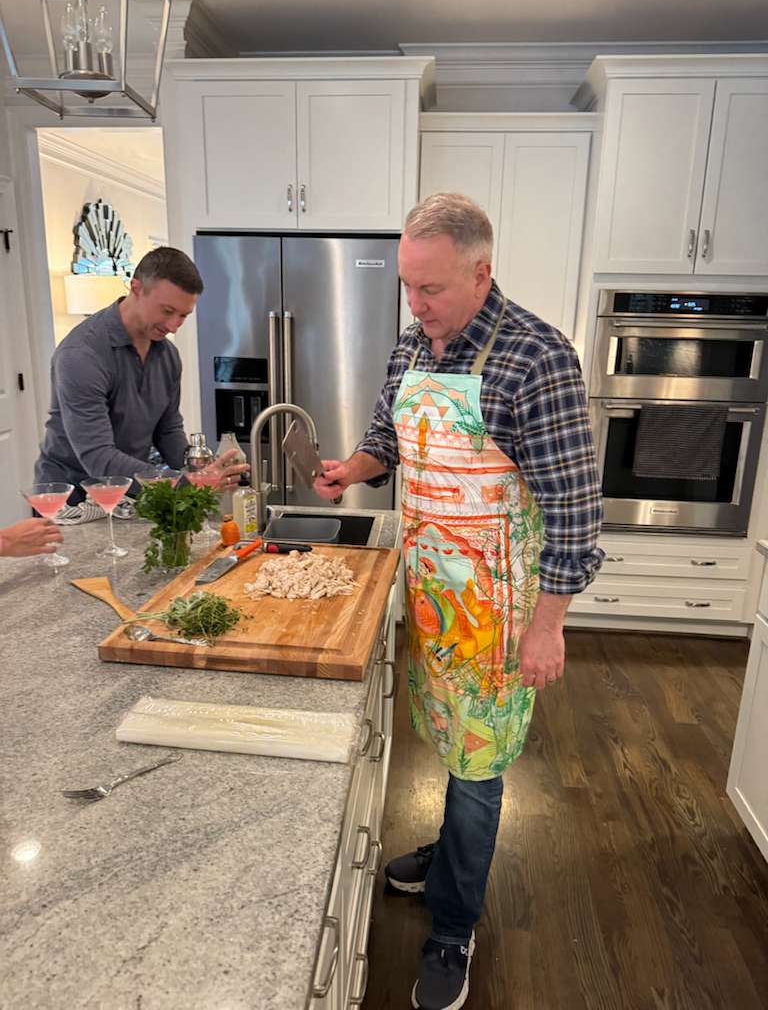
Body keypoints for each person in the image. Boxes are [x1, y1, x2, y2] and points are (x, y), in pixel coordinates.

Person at [314, 193, 604, 1010]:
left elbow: (576, 510)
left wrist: (549, 627)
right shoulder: (415, 344)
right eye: (408, 287)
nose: (416, 304)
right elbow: (388, 438)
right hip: (432, 596)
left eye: (431, 288)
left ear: (481, 273)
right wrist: (353, 468)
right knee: (448, 741)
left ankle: (453, 926)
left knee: (479, 766)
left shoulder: (536, 358)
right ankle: (450, 855)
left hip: (498, 615)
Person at [34, 247, 247, 501]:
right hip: (69, 498)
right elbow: (98, 457)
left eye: (183, 315)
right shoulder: (82, 355)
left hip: (129, 491)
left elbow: (167, 430)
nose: (173, 326)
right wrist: (184, 484)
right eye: (167, 311)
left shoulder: (168, 355)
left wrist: (196, 467)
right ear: (136, 288)